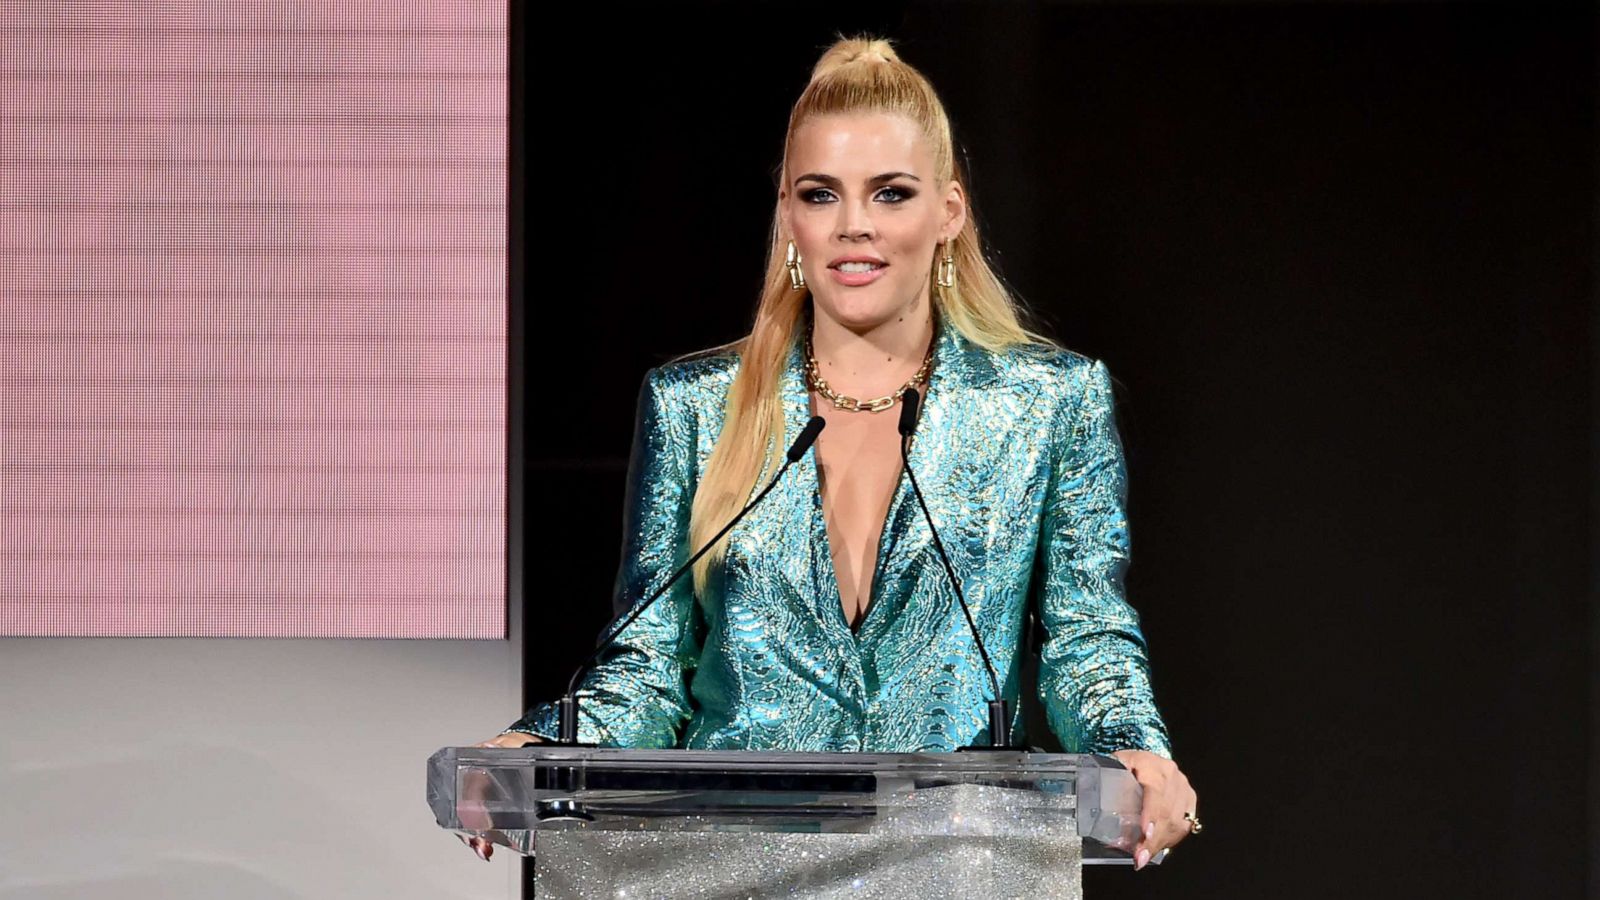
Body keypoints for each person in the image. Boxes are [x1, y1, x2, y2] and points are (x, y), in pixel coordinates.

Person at [466, 35, 1198, 871]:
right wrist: (537, 743)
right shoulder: (696, 408)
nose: (855, 226)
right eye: (822, 195)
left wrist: (1135, 745)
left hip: (956, 869)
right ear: (787, 215)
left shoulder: (1048, 405)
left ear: (949, 212)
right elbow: (650, 663)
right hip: (728, 870)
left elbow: (1084, 635)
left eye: (890, 193)